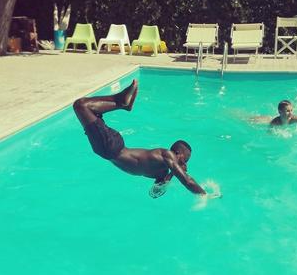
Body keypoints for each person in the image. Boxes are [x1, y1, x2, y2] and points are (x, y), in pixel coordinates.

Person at [72, 80, 209, 197]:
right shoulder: (166, 154)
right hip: (111, 147)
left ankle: (121, 103)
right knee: (81, 106)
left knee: (88, 110)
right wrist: (205, 196)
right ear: (177, 154)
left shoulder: (161, 172)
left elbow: (154, 194)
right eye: (185, 160)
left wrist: (172, 175)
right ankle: (120, 102)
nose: (184, 164)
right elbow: (188, 181)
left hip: (108, 148)